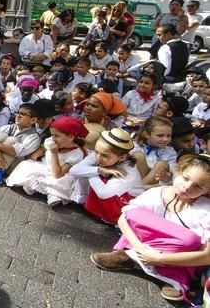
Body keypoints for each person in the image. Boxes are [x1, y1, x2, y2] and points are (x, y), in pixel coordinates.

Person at [90, 154, 210, 302]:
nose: (187, 187)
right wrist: (139, 247)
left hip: (177, 260)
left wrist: (159, 257)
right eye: (185, 178)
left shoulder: (206, 210)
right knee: (133, 213)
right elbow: (124, 218)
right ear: (178, 171)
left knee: (190, 240)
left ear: (207, 190)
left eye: (198, 186)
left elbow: (207, 255)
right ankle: (131, 255)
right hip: (140, 248)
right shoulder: (158, 193)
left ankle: (173, 276)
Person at [6, 116, 88, 207]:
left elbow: (58, 174)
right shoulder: (51, 141)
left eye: (57, 136)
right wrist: (35, 156)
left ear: (71, 137)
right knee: (26, 165)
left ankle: (54, 195)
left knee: (63, 182)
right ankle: (34, 186)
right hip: (46, 167)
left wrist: (54, 153)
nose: (53, 138)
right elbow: (43, 149)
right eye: (52, 135)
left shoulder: (76, 154)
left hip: (60, 175)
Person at [69, 128, 143, 223]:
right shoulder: (100, 154)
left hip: (126, 204)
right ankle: (83, 201)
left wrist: (93, 172)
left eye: (105, 155)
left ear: (122, 157)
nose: (98, 157)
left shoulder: (128, 172)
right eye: (96, 152)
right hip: (110, 197)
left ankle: (112, 220)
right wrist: (99, 170)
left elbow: (103, 193)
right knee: (87, 170)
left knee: (88, 171)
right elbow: (73, 170)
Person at [0, 103, 41, 188]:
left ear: (33, 120)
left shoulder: (34, 136)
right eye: (18, 113)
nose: (18, 116)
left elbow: (19, 152)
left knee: (11, 140)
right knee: (1, 136)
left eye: (23, 114)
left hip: (16, 167)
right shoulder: (9, 127)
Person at [132, 116, 177, 188]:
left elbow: (173, 172)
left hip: (155, 183)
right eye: (160, 135)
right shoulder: (135, 146)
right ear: (146, 134)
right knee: (138, 156)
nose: (165, 139)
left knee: (162, 164)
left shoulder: (170, 151)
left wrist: (168, 176)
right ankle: (143, 188)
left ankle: (139, 189)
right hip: (136, 179)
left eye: (168, 136)